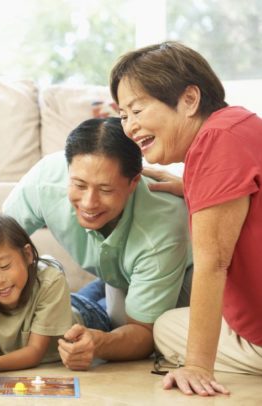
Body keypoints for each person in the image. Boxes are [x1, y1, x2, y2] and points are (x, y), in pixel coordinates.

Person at [111, 41, 262, 396]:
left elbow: (214, 263)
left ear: (189, 100)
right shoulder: (238, 125)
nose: (130, 127)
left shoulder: (215, 142)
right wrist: (192, 187)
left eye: (137, 109)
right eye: (123, 116)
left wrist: (196, 366)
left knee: (164, 328)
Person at [2, 117, 193, 370]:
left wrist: (99, 343)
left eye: (105, 189)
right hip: (119, 273)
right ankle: (96, 292)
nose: (89, 203)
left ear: (133, 182)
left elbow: (143, 334)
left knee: (117, 325)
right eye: (79, 185)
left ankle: (95, 299)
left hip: (179, 278)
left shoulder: (162, 231)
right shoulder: (46, 180)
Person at [0, 214, 78, 377]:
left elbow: (35, 352)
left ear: (28, 255)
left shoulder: (51, 282)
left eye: (5, 266)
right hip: (53, 301)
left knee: (98, 300)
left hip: (82, 312)